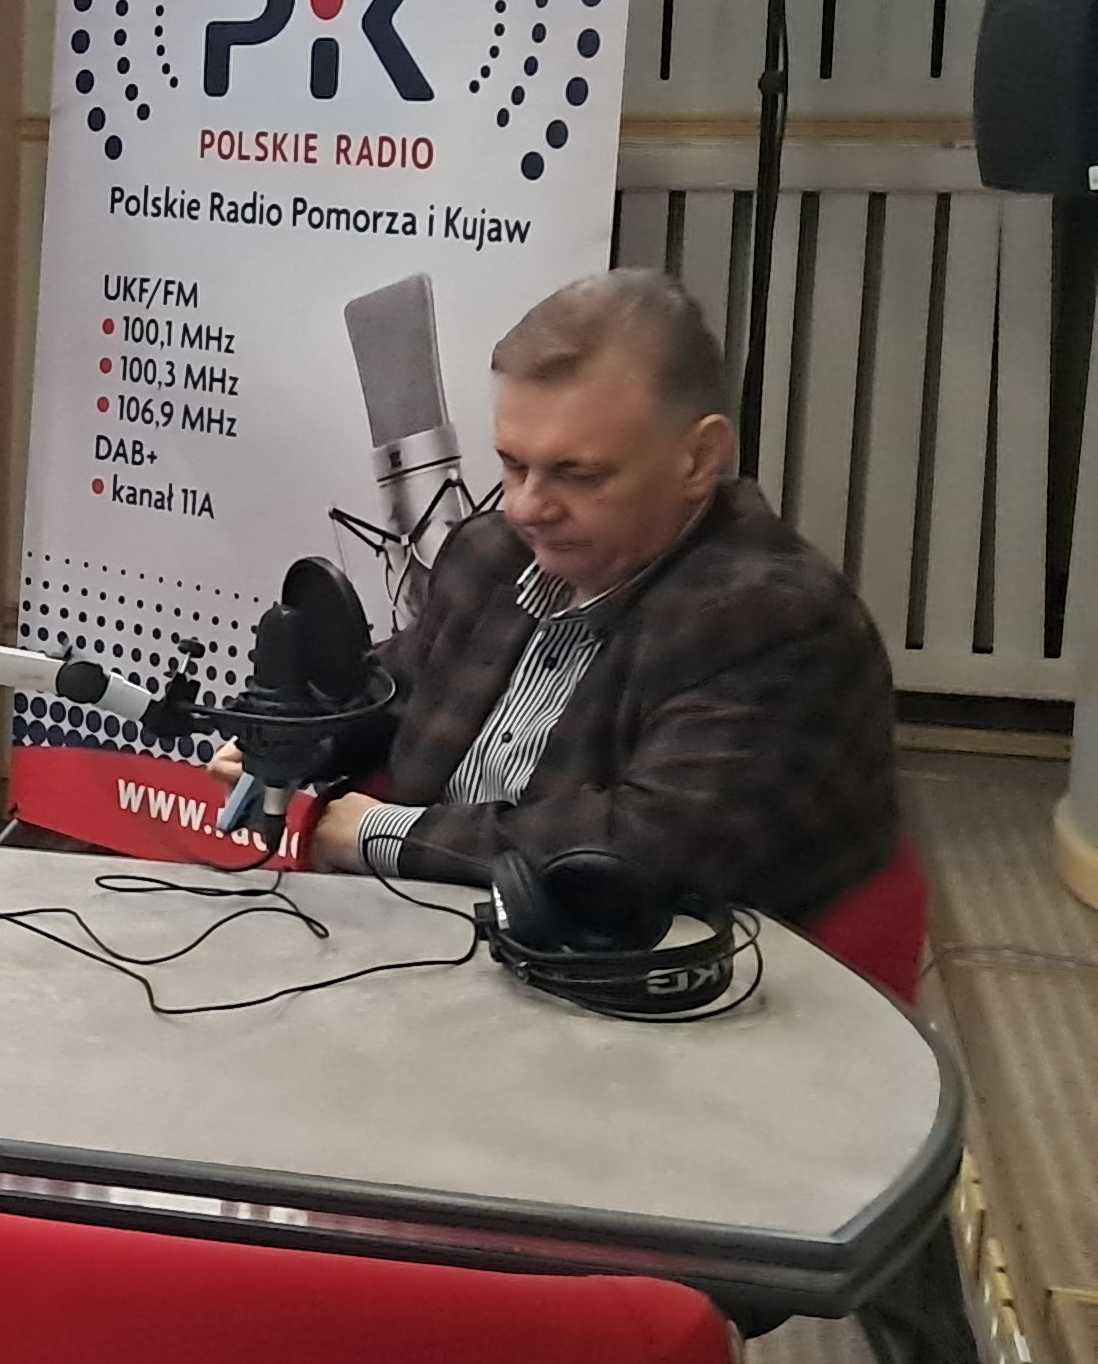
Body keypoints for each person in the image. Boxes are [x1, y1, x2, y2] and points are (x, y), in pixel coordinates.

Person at [261, 267, 896, 922]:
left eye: (578, 474)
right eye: (513, 465)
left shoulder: (779, 625)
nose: (526, 507)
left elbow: (641, 849)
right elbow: (390, 690)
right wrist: (286, 739)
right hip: (435, 929)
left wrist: (384, 836)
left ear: (699, 460)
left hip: (617, 963)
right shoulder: (490, 555)